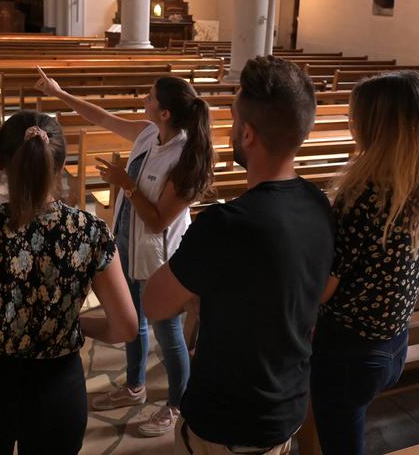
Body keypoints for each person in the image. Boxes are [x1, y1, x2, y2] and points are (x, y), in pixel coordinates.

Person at [142, 56, 335, 455]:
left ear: (248, 134)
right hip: (286, 405)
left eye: (232, 120)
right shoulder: (319, 204)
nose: (229, 130)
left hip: (227, 420)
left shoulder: (226, 224)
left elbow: (154, 303)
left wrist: (201, 294)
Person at [0, 111, 138, 455]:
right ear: (61, 163)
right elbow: (126, 328)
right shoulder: (90, 233)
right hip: (57, 393)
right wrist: (76, 322)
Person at [33, 69, 215, 437]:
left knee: (167, 333)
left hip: (159, 260)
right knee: (133, 322)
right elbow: (101, 116)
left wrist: (126, 184)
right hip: (125, 246)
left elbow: (161, 220)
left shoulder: (184, 157)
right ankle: (134, 387)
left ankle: (178, 404)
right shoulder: (150, 133)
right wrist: (59, 92)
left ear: (165, 112)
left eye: (150, 98)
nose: (144, 101)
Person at [311, 71, 419, 455]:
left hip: (348, 351)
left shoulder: (364, 196)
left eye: (357, 119)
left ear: (379, 128)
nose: (352, 125)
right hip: (392, 343)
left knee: (341, 441)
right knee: (347, 422)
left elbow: (326, 285)